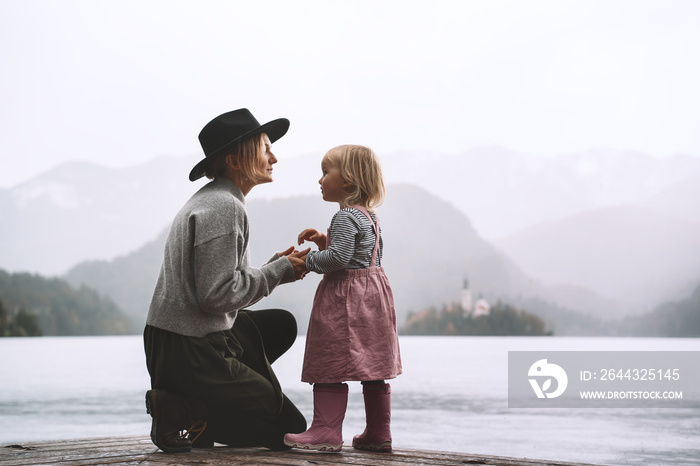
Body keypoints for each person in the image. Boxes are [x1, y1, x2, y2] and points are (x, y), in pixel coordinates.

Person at [143, 108, 310, 453]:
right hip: (188, 348)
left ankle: (200, 405)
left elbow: (218, 289)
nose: (274, 156)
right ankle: (187, 410)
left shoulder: (217, 199)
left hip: (179, 339)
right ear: (234, 160)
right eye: (265, 148)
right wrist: (276, 272)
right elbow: (216, 296)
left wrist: (274, 268)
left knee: (282, 325)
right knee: (289, 429)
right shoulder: (224, 207)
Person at [283, 145, 402, 453]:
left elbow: (338, 260)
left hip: (344, 298)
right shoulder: (369, 216)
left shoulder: (345, 216)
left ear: (347, 180)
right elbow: (360, 255)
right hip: (373, 297)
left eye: (325, 173)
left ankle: (326, 431)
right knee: (372, 365)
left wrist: (306, 262)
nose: (320, 180)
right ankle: (379, 431)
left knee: (329, 359)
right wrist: (326, 241)